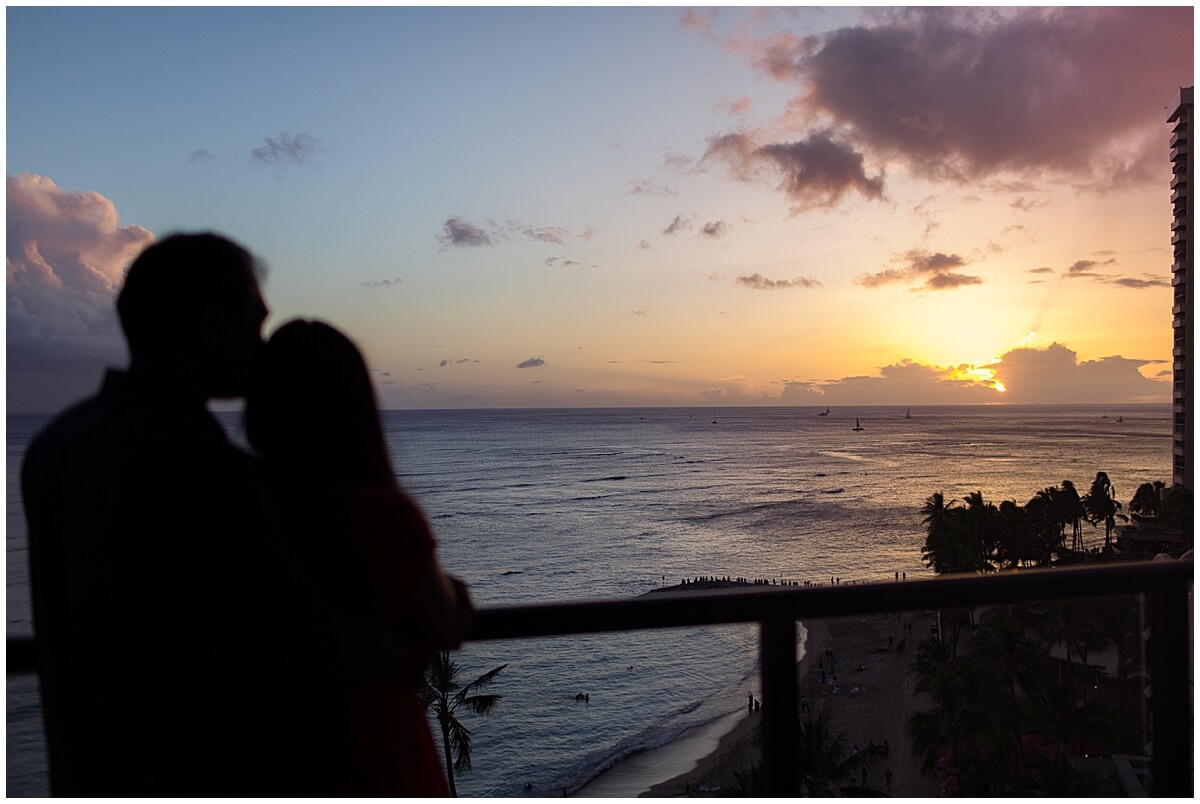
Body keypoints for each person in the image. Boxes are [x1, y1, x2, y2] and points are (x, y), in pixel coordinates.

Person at [21, 233, 311, 795]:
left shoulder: (55, 447)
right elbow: (292, 641)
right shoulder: (204, 468)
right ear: (209, 324)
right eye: (254, 320)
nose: (263, 342)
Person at [244, 318, 472, 796]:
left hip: (271, 755)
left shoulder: (231, 506)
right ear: (355, 409)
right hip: (377, 745)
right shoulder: (378, 516)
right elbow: (446, 621)